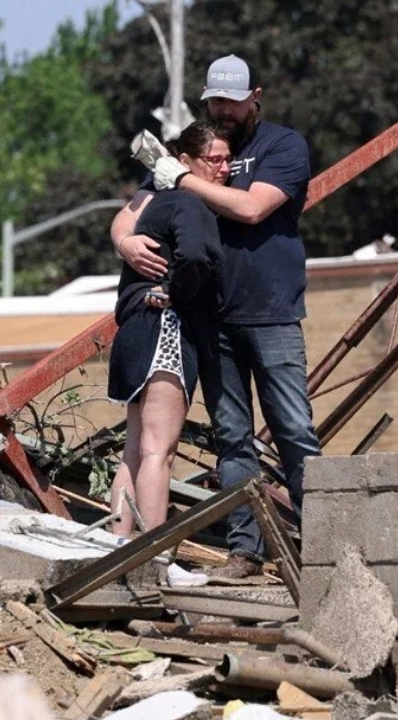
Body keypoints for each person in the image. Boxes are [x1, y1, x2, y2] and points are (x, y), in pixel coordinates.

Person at [110, 55, 319, 578]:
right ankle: (245, 551)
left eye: (231, 101)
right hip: (212, 320)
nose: (222, 111)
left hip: (270, 312)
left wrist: (180, 176)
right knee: (232, 437)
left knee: (292, 427)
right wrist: (125, 242)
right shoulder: (197, 146)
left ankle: (325, 540)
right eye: (214, 102)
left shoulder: (282, 146)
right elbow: (131, 211)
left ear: (256, 97)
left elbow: (250, 209)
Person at [107, 121, 232, 537]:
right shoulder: (190, 204)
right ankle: (151, 557)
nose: (224, 168)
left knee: (135, 451)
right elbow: (195, 256)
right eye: (214, 159)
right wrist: (177, 291)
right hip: (167, 330)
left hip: (136, 330)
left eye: (228, 159)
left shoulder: (157, 206)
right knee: (159, 450)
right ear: (184, 163)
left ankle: (117, 547)